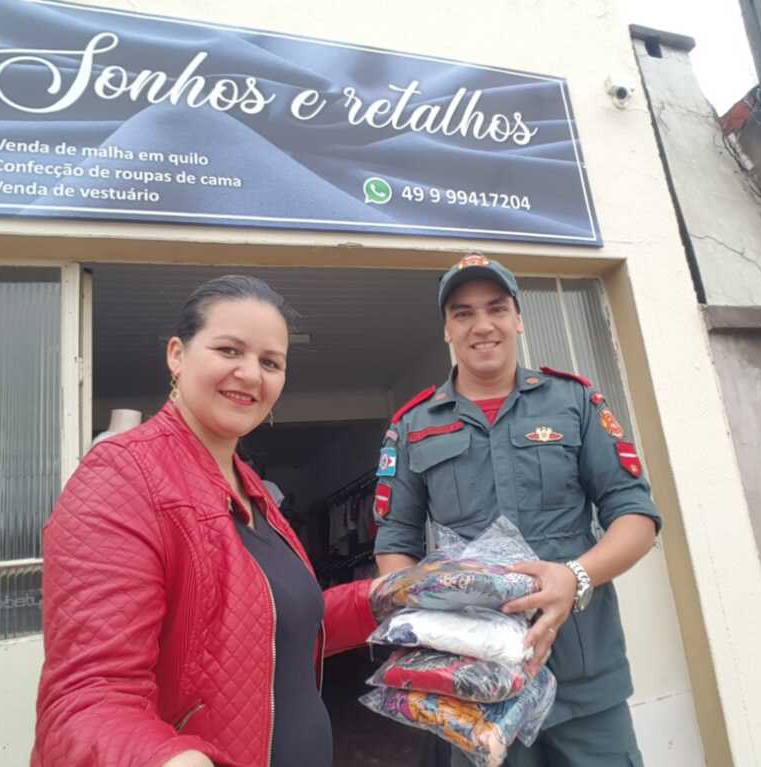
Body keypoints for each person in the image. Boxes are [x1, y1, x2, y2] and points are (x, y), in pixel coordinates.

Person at [33, 276, 379, 767]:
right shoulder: (121, 476)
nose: (251, 375)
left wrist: (385, 598)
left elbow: (283, 627)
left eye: (270, 362)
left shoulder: (255, 492)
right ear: (177, 354)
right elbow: (85, 698)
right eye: (228, 350)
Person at [373, 255, 661, 767]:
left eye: (496, 308)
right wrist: (433, 635)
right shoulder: (413, 424)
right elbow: (396, 540)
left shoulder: (574, 402)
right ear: (446, 330)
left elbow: (636, 515)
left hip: (585, 680)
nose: (482, 326)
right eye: (463, 313)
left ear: (518, 319)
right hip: (479, 687)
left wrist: (575, 576)